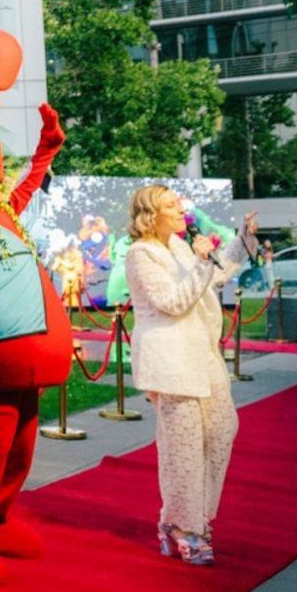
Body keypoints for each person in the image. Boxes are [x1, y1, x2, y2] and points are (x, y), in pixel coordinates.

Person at [124, 185, 257, 565]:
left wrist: (242, 242)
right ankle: (185, 528)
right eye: (171, 204)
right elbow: (172, 302)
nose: (180, 208)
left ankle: (189, 518)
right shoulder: (141, 254)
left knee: (221, 429)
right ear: (152, 215)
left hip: (202, 354)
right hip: (171, 360)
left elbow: (213, 275)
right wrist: (201, 263)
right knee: (183, 447)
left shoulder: (178, 247)